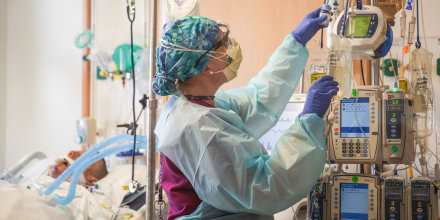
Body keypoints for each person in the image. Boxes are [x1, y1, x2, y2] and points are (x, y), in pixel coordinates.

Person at [153, 8, 339, 220]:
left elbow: (258, 100)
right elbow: (268, 186)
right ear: (205, 67)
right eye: (222, 45)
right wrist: (308, 122)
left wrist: (295, 43)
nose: (230, 47)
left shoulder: (200, 103)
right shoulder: (200, 129)